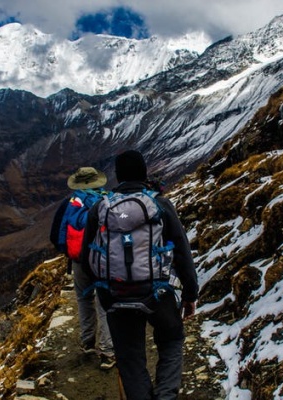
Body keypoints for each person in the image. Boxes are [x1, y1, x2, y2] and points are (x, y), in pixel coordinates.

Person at [81, 150, 199, 400]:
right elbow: (181, 251)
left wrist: (103, 291)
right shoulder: (160, 204)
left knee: (130, 359)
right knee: (171, 339)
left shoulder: (101, 208)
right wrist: (190, 293)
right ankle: (166, 395)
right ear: (145, 173)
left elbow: (86, 257)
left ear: (118, 176)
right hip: (156, 293)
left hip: (115, 295)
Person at [49, 166, 116, 370]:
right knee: (104, 302)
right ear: (98, 181)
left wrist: (70, 253)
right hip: (104, 260)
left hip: (79, 261)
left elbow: (55, 235)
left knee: (84, 298)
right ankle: (107, 351)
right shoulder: (109, 201)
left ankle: (88, 342)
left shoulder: (70, 203)